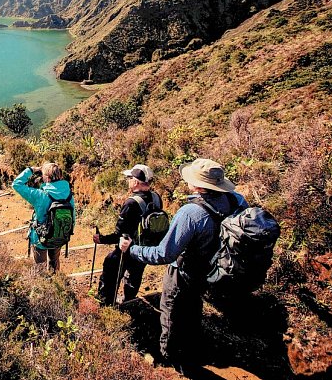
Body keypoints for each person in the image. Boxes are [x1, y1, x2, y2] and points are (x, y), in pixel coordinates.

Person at [119, 158, 248, 371]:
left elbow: (164, 254)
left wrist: (131, 249)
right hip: (218, 268)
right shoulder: (236, 201)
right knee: (193, 306)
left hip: (186, 271)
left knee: (171, 310)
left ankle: (170, 359)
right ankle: (193, 344)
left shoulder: (191, 213)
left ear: (197, 185)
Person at [93, 164, 161, 305]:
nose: (128, 180)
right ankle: (129, 300)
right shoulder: (156, 198)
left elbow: (120, 233)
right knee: (135, 274)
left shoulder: (131, 203)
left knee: (111, 267)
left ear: (136, 182)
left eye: (130, 178)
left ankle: (106, 304)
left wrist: (102, 239)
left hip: (127, 249)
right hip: (145, 248)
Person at [12, 162, 75, 272]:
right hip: (59, 234)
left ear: (46, 177)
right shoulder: (68, 194)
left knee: (40, 267)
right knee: (54, 262)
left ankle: (44, 285)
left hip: (40, 238)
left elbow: (16, 184)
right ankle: (56, 282)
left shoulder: (40, 195)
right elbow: (73, 218)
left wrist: (31, 170)